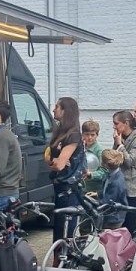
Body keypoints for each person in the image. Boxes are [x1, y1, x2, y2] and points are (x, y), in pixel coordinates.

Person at [47, 97, 85, 242]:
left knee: (65, 231)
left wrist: (56, 161)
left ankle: (66, 255)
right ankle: (58, 255)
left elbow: (59, 165)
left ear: (65, 111)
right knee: (58, 228)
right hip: (59, 187)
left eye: (57, 107)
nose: (53, 110)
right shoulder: (60, 132)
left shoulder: (73, 135)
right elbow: (48, 157)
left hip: (69, 189)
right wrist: (54, 161)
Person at [112, 110, 136, 233]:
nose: (114, 127)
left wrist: (120, 145)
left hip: (133, 190)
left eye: (116, 123)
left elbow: (130, 161)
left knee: (131, 228)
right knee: (119, 228)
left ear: (126, 123)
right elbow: (114, 160)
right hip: (120, 188)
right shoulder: (119, 138)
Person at [92, 149, 128, 230]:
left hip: (114, 218)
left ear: (105, 164)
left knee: (108, 235)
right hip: (111, 215)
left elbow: (108, 201)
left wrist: (94, 203)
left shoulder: (116, 182)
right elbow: (108, 191)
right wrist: (98, 194)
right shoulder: (113, 175)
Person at [80, 120, 108, 197]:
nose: (89, 137)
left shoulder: (100, 151)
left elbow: (104, 172)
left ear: (97, 135)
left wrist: (90, 174)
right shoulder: (80, 148)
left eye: (92, 135)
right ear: (82, 134)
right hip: (80, 187)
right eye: (87, 134)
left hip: (94, 190)